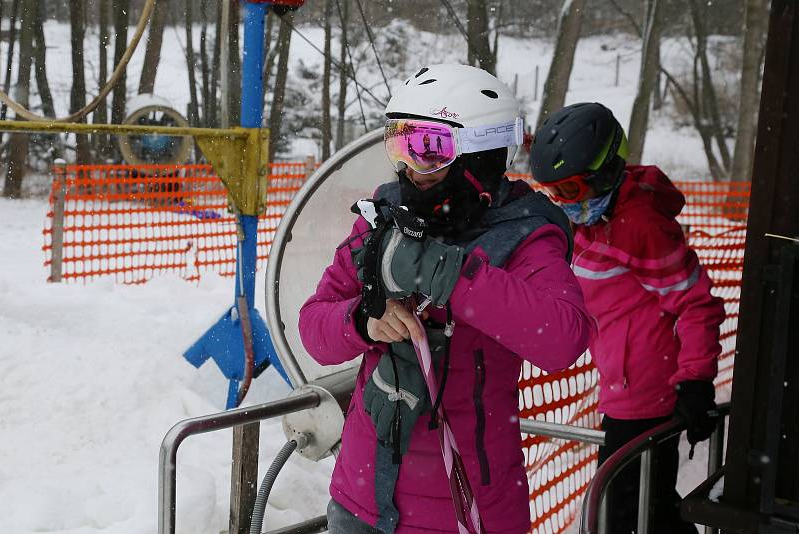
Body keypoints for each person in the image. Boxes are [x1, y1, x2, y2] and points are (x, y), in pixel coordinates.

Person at [299, 64, 596, 534]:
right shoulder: (385, 218)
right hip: (361, 501)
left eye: (429, 150)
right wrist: (362, 322)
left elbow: (562, 337)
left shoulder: (522, 235)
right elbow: (313, 326)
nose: (409, 169)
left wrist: (450, 274)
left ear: (479, 156)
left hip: (464, 513)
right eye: (400, 144)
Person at [529, 102, 726, 533]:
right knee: (646, 507)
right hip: (621, 385)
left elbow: (696, 304)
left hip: (646, 396)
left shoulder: (640, 226)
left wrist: (696, 380)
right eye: (553, 192)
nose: (561, 204)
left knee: (622, 514)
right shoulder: (594, 218)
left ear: (602, 175)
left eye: (569, 191)